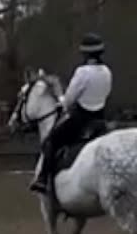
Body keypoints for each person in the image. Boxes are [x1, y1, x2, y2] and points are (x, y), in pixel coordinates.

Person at [29, 32, 112, 194]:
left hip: (81, 119)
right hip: (100, 119)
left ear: (85, 53)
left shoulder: (82, 72)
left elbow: (69, 101)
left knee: (51, 141)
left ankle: (42, 179)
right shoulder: (107, 71)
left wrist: (59, 96)